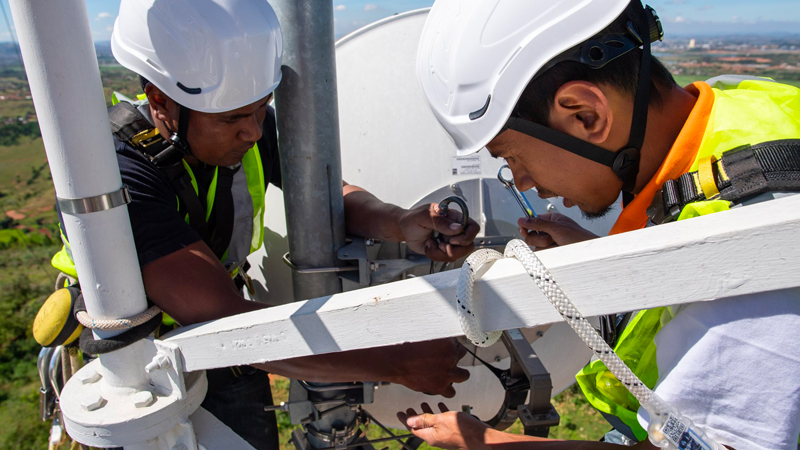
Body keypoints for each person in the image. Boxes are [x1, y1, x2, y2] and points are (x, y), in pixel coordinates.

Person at [50, 0, 477, 449]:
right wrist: (396, 362)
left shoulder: (241, 121)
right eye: (232, 118)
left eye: (260, 108)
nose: (253, 131)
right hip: (143, 370)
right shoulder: (118, 175)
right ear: (160, 101)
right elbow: (222, 319)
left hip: (230, 350)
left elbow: (326, 196)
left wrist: (398, 221)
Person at [408, 0, 800, 448]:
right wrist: (601, 257)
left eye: (512, 157)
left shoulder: (757, 244)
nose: (522, 181)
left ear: (586, 115)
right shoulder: (740, 117)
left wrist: (485, 442)